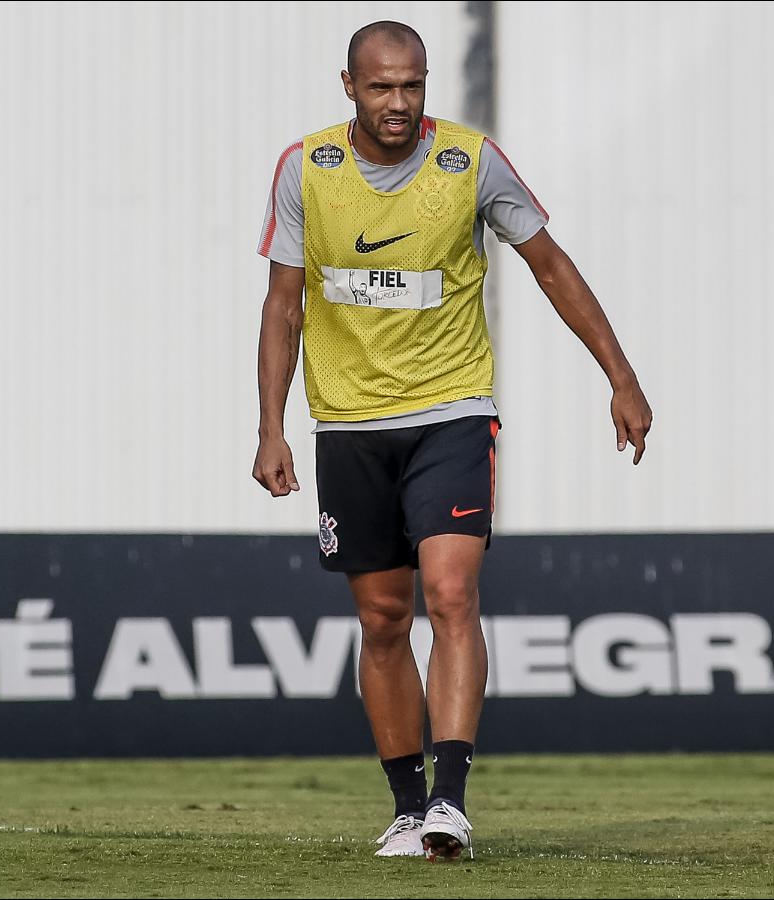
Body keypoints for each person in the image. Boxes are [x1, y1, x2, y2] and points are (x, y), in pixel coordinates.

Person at [252, 20, 652, 861]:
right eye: (381, 87)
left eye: (413, 86)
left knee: (450, 595)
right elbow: (283, 304)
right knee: (384, 617)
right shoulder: (305, 169)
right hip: (351, 425)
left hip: (451, 413)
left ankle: (450, 803)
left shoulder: (471, 161)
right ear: (350, 86)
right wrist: (270, 427)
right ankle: (405, 807)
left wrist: (620, 374)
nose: (398, 103)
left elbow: (551, 265)